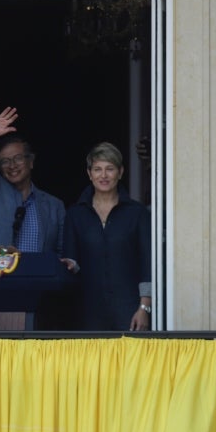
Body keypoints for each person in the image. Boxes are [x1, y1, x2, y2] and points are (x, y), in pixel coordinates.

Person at [61, 142, 152, 331]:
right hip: (87, 312)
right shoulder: (75, 214)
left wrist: (144, 308)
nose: (103, 175)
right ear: (89, 174)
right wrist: (69, 264)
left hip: (129, 311)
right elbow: (71, 262)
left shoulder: (137, 213)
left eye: (110, 169)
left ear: (120, 172)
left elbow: (147, 263)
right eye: (97, 169)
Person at [0, 105, 65, 253]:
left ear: (31, 161)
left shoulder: (54, 206)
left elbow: (61, 253)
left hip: (37, 269)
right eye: (5, 161)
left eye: (18, 158)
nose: (12, 165)